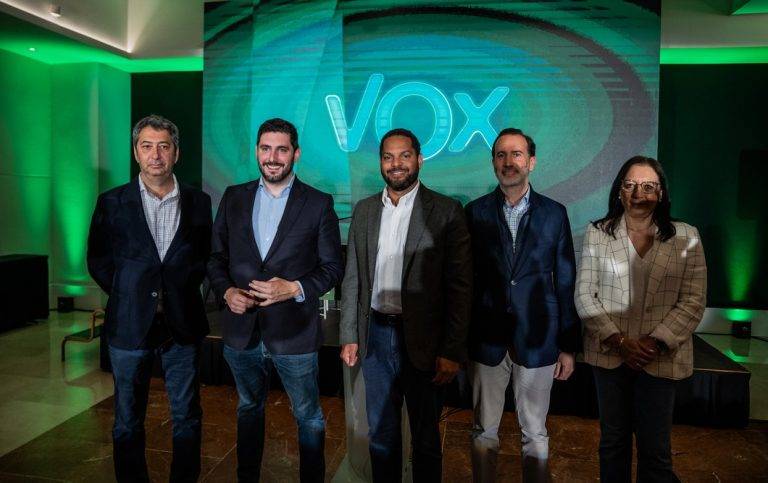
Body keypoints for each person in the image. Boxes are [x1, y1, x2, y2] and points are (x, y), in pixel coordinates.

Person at [207, 118, 343, 482]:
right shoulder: (233, 197)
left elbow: (333, 268)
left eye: (282, 149)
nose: (273, 157)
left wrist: (294, 288)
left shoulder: (318, 203)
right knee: (248, 408)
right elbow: (216, 258)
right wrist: (227, 291)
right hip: (242, 333)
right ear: (256, 151)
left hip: (294, 334)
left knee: (308, 416)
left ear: (296, 154)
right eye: (266, 148)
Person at [339, 128, 472, 482]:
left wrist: (452, 350)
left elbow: (460, 289)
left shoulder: (446, 211)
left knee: (425, 438)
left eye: (404, 156)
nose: (396, 164)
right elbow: (352, 278)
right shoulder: (365, 210)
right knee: (381, 435)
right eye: (388, 157)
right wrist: (349, 334)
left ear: (419, 160)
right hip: (376, 339)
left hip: (426, 343)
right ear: (380, 163)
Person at [87, 114, 212, 482]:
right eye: (147, 146)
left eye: (163, 146)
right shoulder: (111, 202)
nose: (155, 154)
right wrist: (130, 294)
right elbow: (98, 260)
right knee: (127, 420)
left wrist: (179, 291)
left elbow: (204, 257)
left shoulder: (199, 201)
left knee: (187, 416)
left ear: (176, 152)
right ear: (136, 152)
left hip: (182, 325)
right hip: (129, 325)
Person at [576, 155, 706, 482]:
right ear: (619, 191)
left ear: (661, 193)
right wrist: (619, 342)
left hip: (660, 357)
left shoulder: (687, 236)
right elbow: (584, 295)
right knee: (613, 443)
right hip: (609, 355)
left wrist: (653, 343)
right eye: (631, 185)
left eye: (649, 186)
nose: (639, 193)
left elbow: (693, 300)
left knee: (656, 451)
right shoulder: (597, 233)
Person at [464, 127, 580, 482]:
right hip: (486, 339)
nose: (508, 161)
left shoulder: (555, 214)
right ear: (493, 163)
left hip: (539, 338)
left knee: (535, 433)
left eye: (516, 154)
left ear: (531, 162)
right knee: (483, 431)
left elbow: (565, 281)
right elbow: (466, 282)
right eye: (500, 155)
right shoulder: (474, 212)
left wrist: (568, 345)